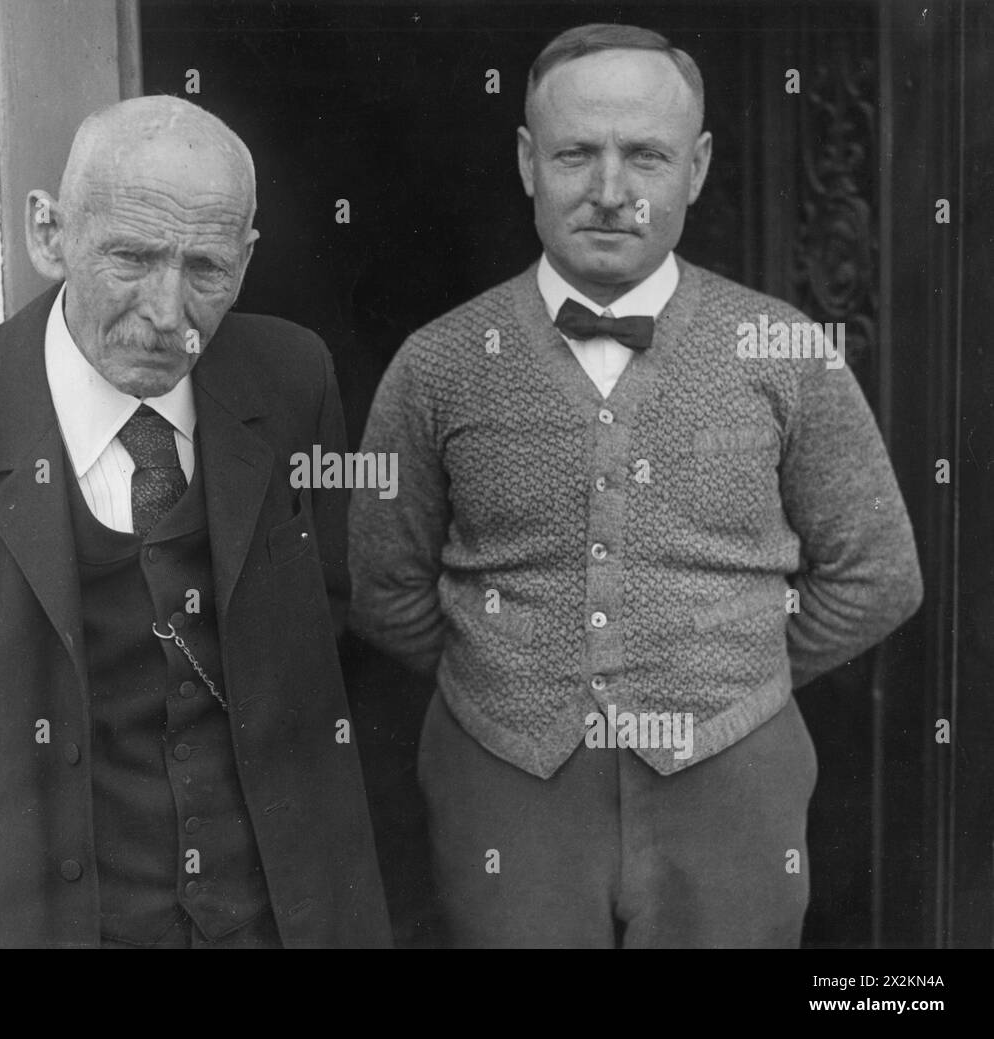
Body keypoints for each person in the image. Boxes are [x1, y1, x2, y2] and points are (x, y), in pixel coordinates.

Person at [348, 23, 923, 948]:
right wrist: (514, 672)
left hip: (734, 778)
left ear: (694, 169)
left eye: (645, 156)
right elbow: (385, 588)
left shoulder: (783, 350)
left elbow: (878, 574)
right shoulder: (440, 362)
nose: (612, 192)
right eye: (578, 153)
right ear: (529, 162)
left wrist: (737, 673)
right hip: (504, 775)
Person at [0, 96, 391, 949]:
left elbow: (324, 616)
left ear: (249, 259)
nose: (167, 312)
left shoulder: (291, 377)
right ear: (50, 234)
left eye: (206, 268)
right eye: (132, 257)